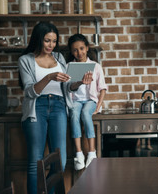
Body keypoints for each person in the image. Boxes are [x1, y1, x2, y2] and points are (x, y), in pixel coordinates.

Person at [18, 22, 93, 194]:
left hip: (59, 107)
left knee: (60, 160)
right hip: (37, 108)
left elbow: (67, 87)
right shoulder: (26, 60)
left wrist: (80, 82)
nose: (51, 45)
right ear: (38, 39)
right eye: (47, 41)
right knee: (35, 161)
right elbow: (30, 90)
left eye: (54, 41)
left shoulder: (59, 57)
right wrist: (50, 77)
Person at [67, 34, 107, 170]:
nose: (79, 53)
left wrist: (98, 106)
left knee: (85, 114)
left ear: (87, 48)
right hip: (76, 100)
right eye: (75, 50)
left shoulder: (96, 66)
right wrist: (79, 82)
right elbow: (69, 88)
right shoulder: (69, 66)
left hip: (90, 101)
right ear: (71, 52)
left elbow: (102, 89)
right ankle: (79, 154)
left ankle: (91, 152)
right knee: (74, 114)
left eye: (82, 48)